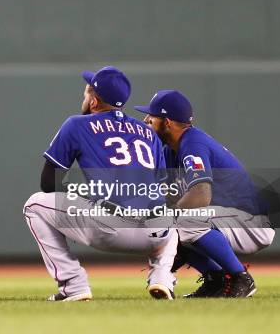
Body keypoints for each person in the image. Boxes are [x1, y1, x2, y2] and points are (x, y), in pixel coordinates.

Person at [23, 66, 178, 301]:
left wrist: (82, 202)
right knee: (170, 214)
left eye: (86, 93)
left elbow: (48, 182)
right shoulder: (148, 133)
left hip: (110, 228)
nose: (84, 98)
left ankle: (74, 285)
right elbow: (163, 188)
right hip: (157, 233)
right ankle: (162, 278)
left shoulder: (76, 124)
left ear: (94, 101)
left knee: (34, 205)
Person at [135, 90, 274, 298]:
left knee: (182, 220)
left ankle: (240, 277)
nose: (146, 120)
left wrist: (168, 221)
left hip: (251, 223)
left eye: (152, 116)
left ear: (167, 123)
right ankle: (216, 279)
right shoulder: (170, 150)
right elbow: (168, 198)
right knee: (161, 221)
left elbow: (201, 194)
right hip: (225, 218)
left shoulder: (192, 144)